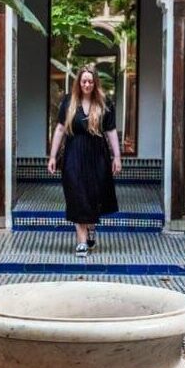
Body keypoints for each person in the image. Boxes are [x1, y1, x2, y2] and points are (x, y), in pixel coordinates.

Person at [48, 64, 121, 255]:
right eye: (84, 81)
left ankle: (91, 227)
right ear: (79, 82)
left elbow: (111, 130)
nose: (87, 84)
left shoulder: (105, 103)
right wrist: (53, 156)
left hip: (98, 155)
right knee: (77, 194)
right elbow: (60, 129)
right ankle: (81, 241)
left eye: (90, 81)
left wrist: (117, 157)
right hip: (74, 155)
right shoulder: (68, 102)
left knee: (93, 194)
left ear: (95, 83)